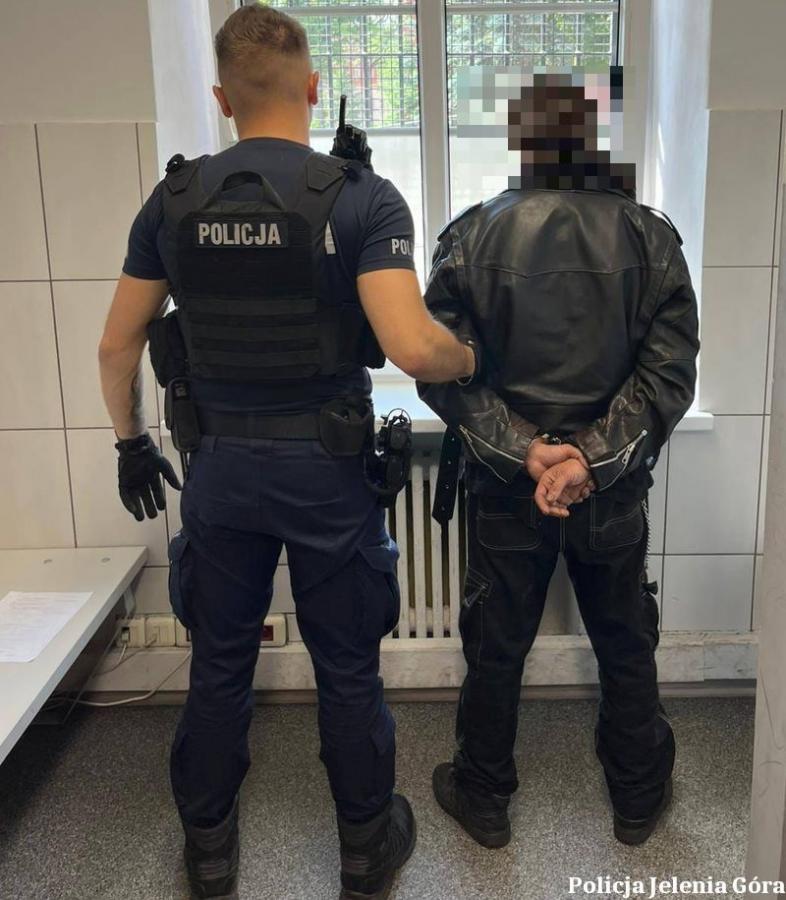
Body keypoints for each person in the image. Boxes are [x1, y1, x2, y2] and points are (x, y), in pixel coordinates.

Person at [98, 6, 476, 899]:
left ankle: (209, 852)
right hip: (326, 473)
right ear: (312, 88)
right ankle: (364, 851)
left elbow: (117, 346)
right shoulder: (360, 197)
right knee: (347, 667)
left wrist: (130, 444)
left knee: (219, 663)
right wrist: (469, 358)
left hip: (220, 473)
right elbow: (412, 346)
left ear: (222, 97)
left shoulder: (173, 202)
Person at [418, 70, 700, 850]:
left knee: (496, 644)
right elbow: (668, 378)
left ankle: (484, 796)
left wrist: (526, 451)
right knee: (624, 637)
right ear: (592, 138)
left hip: (510, 486)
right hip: (609, 489)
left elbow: (438, 367)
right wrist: (590, 461)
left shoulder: (472, 237)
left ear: (521, 140)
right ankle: (637, 797)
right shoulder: (650, 237)